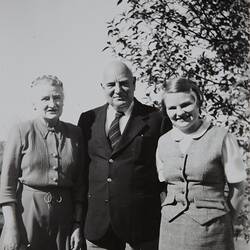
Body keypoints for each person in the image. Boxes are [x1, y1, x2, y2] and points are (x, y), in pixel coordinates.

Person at [78, 61, 171, 250]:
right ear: (102, 87)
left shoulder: (157, 119)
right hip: (98, 229)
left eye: (124, 83)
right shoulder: (88, 119)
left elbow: (165, 176)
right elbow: (82, 172)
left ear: (134, 82)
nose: (118, 90)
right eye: (111, 85)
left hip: (142, 229)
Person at [156, 77, 247, 250]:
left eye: (185, 105)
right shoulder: (163, 142)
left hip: (212, 233)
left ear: (198, 102)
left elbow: (238, 189)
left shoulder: (221, 137)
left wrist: (225, 223)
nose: (180, 112)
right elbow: (164, 186)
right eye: (172, 108)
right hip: (170, 232)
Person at [0, 75, 86, 250]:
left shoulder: (75, 134)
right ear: (34, 103)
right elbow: (7, 187)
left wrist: (77, 224)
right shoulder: (21, 131)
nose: (52, 104)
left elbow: (80, 185)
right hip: (28, 216)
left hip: (65, 219)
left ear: (63, 101)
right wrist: (10, 228)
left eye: (57, 97)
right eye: (45, 98)